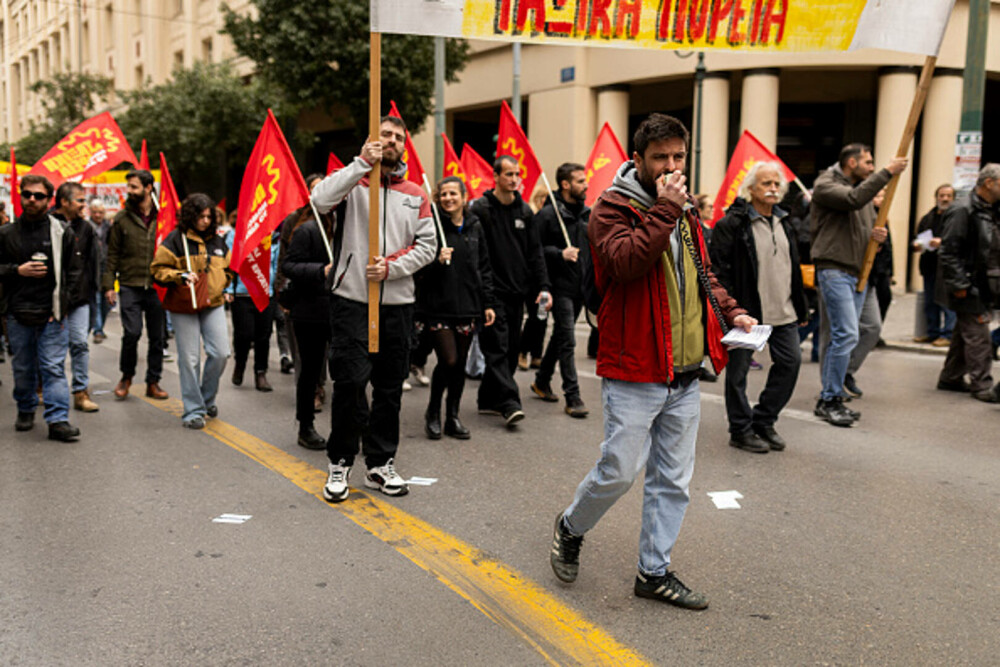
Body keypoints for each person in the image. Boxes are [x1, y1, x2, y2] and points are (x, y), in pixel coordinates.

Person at [549, 114, 755, 610]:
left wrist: (733, 311)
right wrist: (666, 208)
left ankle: (654, 571)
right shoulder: (609, 210)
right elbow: (624, 264)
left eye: (679, 157)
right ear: (637, 159)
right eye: (660, 157)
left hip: (684, 372)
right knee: (619, 471)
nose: (671, 166)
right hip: (634, 368)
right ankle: (571, 526)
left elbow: (702, 273)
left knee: (672, 481)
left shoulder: (683, 213)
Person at [310, 114, 436, 501]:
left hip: (397, 304)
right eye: (386, 134)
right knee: (348, 384)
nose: (393, 140)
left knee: (389, 389)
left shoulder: (416, 192)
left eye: (398, 136)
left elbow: (427, 246)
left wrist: (391, 267)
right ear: (373, 140)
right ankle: (340, 463)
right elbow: (319, 200)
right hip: (351, 301)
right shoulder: (353, 181)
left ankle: (380, 464)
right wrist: (362, 162)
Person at [710, 162, 809, 453]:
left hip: (784, 312)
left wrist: (802, 308)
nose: (773, 189)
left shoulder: (785, 221)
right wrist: (732, 309)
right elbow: (718, 270)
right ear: (750, 189)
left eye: (777, 184)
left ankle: (764, 421)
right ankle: (740, 430)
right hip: (747, 314)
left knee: (791, 363)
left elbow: (793, 269)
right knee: (738, 374)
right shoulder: (733, 224)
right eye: (766, 184)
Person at [810, 144, 906, 426]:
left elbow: (859, 223)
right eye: (868, 162)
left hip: (858, 273)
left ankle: (837, 384)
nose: (872, 167)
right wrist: (889, 171)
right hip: (834, 270)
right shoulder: (826, 184)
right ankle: (830, 398)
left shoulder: (860, 187)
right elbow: (852, 200)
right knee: (845, 334)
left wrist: (875, 237)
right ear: (852, 162)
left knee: (869, 327)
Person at [0, 174, 83, 441]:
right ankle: (25, 409)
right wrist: (17, 270)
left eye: (39, 196)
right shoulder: (6, 233)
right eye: (27, 195)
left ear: (49, 200)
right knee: (23, 367)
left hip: (51, 314)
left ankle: (58, 420)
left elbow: (74, 272)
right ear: (20, 196)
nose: (32, 200)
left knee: (53, 367)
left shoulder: (61, 232)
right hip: (17, 313)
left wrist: (62, 306)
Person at [470, 155, 552, 427]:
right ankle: (509, 402)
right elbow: (477, 256)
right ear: (495, 177)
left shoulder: (525, 212)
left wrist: (543, 287)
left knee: (511, 350)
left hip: (519, 293)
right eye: (509, 174)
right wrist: (483, 294)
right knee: (496, 349)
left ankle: (487, 400)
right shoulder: (480, 209)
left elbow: (535, 253)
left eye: (518, 174)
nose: (515, 179)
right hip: (491, 294)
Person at [416, 176, 497, 440]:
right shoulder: (432, 226)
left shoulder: (475, 226)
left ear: (464, 197)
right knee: (448, 360)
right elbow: (418, 271)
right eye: (443, 194)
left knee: (460, 364)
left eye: (453, 194)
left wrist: (488, 303)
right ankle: (432, 412)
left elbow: (484, 267)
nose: (448, 198)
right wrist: (437, 261)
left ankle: (452, 416)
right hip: (438, 307)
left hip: (468, 306)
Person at [150, 194, 232, 429]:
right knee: (190, 359)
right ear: (190, 216)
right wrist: (179, 276)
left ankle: (206, 400)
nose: (206, 221)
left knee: (221, 353)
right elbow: (157, 269)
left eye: (209, 216)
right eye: (201, 216)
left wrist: (224, 284)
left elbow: (228, 268)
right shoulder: (175, 240)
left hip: (213, 303)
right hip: (183, 305)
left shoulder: (218, 241)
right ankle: (193, 410)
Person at [102, 169, 169, 401]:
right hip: (130, 284)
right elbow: (112, 255)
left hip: (158, 285)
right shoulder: (121, 219)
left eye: (134, 187)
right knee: (131, 333)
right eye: (128, 186)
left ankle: (153, 381)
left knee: (158, 337)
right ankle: (126, 376)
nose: (129, 191)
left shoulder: (165, 216)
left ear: (148, 188)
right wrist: (109, 285)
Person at [530, 162, 590, 418]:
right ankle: (572, 395)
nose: (585, 185)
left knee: (560, 337)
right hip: (559, 287)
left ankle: (541, 381)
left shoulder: (586, 213)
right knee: (568, 339)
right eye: (579, 181)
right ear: (565, 185)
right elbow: (533, 251)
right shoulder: (546, 214)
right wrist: (559, 253)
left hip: (580, 286)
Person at [936, 164, 1000, 401]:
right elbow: (948, 252)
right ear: (989, 183)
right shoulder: (963, 210)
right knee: (978, 334)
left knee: (964, 334)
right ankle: (982, 385)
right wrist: (961, 285)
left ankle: (950, 377)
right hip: (969, 285)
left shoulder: (990, 209)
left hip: (984, 282)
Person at [281, 175, 335, 450]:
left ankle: (349, 427)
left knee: (348, 369)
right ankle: (305, 426)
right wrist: (320, 271)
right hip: (310, 311)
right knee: (310, 370)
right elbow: (289, 267)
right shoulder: (306, 230)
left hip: (342, 309)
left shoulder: (351, 228)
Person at [51, 182, 100, 413]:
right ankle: (47, 389)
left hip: (80, 299)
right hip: (50, 299)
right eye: (80, 200)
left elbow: (93, 263)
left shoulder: (87, 228)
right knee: (51, 348)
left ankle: (81, 392)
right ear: (64, 201)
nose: (84, 205)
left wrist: (96, 292)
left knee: (80, 344)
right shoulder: (47, 224)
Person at [224, 227, 279, 392]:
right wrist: (227, 289)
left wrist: (274, 287)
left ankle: (260, 373)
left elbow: (276, 265)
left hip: (265, 293)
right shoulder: (235, 235)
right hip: (241, 293)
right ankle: (240, 363)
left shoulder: (273, 237)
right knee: (244, 334)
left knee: (264, 334)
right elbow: (228, 262)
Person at [912, 184, 957, 346]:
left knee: (946, 302)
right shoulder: (928, 217)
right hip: (929, 265)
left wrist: (942, 242)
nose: (944, 199)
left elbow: (961, 241)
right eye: (941, 195)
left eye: (948, 196)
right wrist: (917, 245)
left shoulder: (957, 217)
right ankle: (932, 332)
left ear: (953, 198)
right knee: (930, 301)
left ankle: (948, 334)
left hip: (947, 267)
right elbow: (917, 237)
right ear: (936, 197)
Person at [88, 199, 112, 344]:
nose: (98, 215)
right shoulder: (87, 227)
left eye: (101, 212)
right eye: (95, 212)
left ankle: (100, 325)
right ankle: (97, 330)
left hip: (107, 266)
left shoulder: (109, 227)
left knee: (107, 301)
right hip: (93, 267)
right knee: (96, 299)